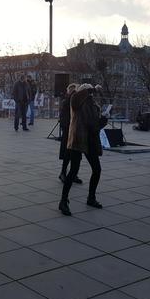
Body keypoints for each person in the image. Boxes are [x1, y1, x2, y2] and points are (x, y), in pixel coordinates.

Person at [59, 84, 107, 216]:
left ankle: (91, 198)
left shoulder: (92, 104)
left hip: (90, 140)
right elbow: (79, 95)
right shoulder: (75, 100)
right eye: (88, 91)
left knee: (97, 169)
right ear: (84, 91)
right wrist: (93, 89)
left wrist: (103, 120)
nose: (91, 94)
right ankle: (63, 201)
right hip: (78, 139)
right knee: (73, 171)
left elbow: (94, 125)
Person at [58, 83, 82, 185]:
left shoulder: (74, 100)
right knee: (67, 153)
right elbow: (64, 117)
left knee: (76, 154)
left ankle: (73, 174)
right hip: (68, 129)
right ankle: (63, 173)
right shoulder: (67, 100)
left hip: (76, 129)